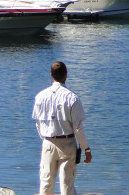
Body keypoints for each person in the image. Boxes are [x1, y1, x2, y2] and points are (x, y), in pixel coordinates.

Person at [32, 61, 92, 195]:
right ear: (66, 75)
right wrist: (86, 149)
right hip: (67, 143)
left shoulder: (40, 96)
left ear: (51, 75)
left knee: (46, 185)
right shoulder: (72, 98)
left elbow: (38, 123)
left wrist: (46, 139)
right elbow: (78, 128)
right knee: (67, 187)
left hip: (48, 142)